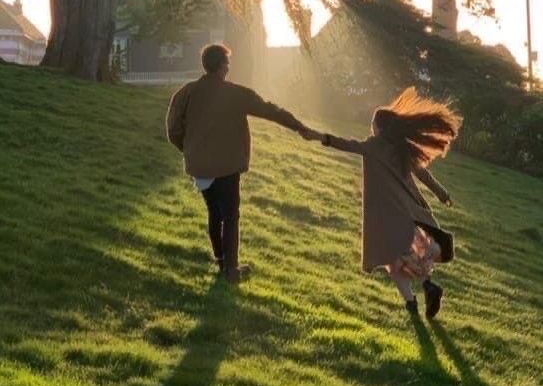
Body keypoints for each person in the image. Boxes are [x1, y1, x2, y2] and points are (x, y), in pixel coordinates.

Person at [301, 87, 461, 318]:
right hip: (407, 213)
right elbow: (424, 175)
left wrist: (318, 136)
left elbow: (345, 144)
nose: (371, 128)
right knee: (398, 260)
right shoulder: (402, 150)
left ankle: (416, 299)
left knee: (394, 260)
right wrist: (442, 194)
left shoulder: (372, 146)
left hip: (387, 217)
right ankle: (422, 293)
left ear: (380, 128)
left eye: (373, 124)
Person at [166, 44, 309, 283]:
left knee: (214, 212)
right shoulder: (235, 93)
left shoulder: (186, 92)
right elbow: (269, 110)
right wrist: (299, 127)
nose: (228, 67)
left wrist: (190, 149)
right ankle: (231, 271)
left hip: (199, 166)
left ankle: (222, 262)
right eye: (227, 63)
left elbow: (173, 129)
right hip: (227, 165)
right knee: (230, 216)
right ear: (223, 66)